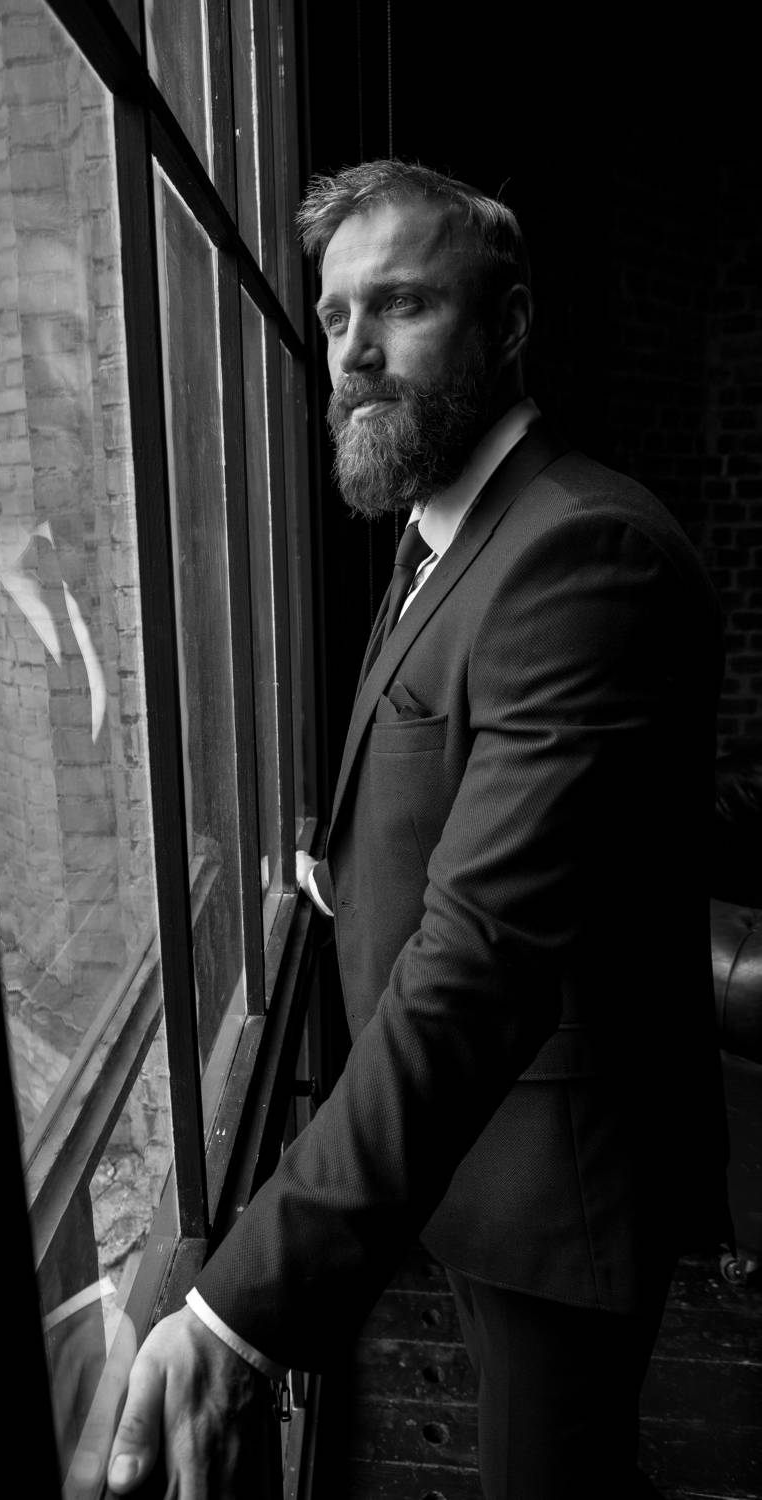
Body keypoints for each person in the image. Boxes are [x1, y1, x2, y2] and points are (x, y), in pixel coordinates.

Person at [106, 161, 732, 1499]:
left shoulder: (583, 553)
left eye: (401, 305)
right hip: (470, 1156)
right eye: (336, 317)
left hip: (555, 1182)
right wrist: (346, 862)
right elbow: (466, 774)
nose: (353, 353)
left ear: (509, 323)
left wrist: (233, 1313)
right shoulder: (438, 535)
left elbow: (482, 962)